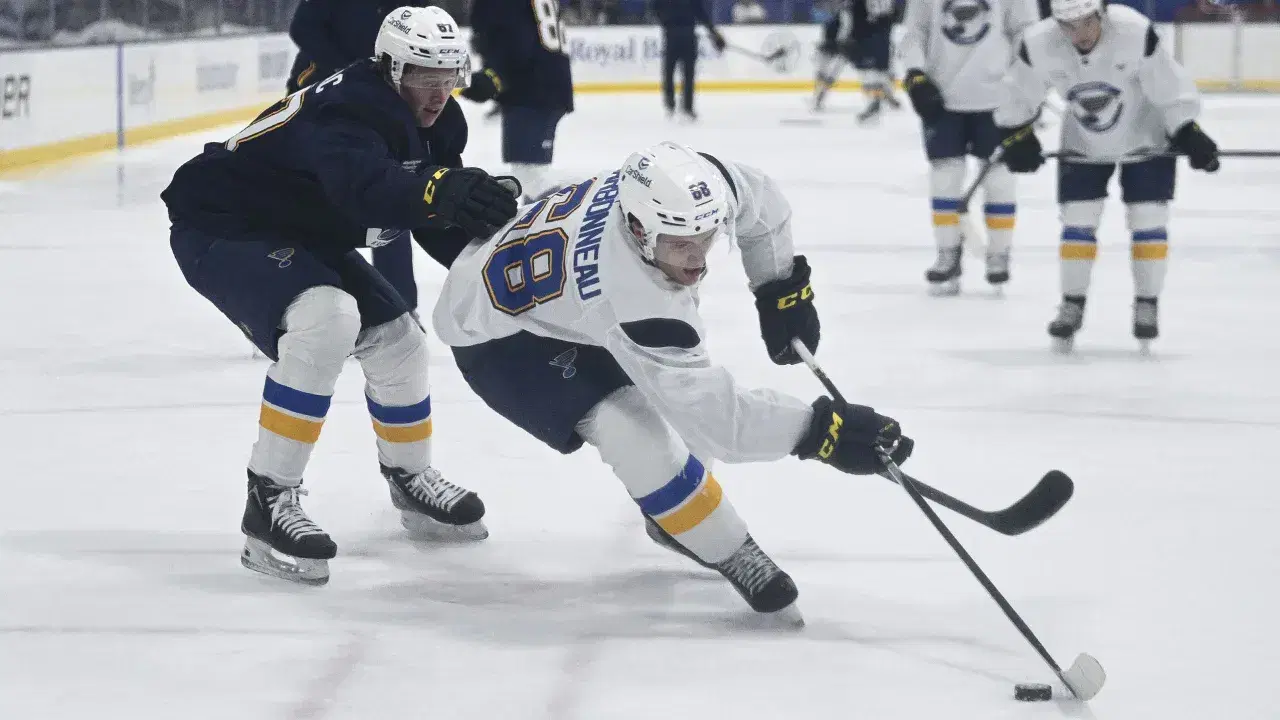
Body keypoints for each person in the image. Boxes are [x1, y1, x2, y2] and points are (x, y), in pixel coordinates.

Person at [430, 142, 915, 618]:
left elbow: (759, 200)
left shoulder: (690, 187)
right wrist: (821, 432)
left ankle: (682, 518)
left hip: (551, 299)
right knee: (633, 429)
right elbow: (717, 421)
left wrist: (781, 287)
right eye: (681, 243)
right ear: (639, 229)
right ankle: (723, 544)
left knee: (673, 398)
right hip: (498, 342)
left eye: (706, 237)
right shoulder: (634, 299)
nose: (698, 258)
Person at [161, 7, 520, 585]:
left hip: (297, 227)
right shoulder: (349, 106)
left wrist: (497, 252)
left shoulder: (443, 120)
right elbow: (370, 191)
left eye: (449, 77)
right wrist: (438, 189)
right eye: (425, 79)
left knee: (399, 339)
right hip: (224, 225)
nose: (438, 94)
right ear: (391, 69)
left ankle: (410, 476)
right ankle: (269, 500)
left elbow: (428, 213)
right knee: (326, 318)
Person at [994, 0, 1219, 351]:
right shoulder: (1039, 42)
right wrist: (1016, 133)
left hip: (1147, 137)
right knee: (1077, 219)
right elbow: (1018, 93)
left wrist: (1187, 129)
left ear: (1101, 13)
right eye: (1068, 26)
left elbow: (1168, 84)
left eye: (1086, 23)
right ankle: (1072, 302)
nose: (1079, 34)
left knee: (1148, 219)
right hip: (1083, 141)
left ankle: (1147, 302)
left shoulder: (1134, 30)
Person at [286, 0, 423, 313]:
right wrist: (348, 71)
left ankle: (400, 305)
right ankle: (294, 303)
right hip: (321, 93)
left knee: (390, 192)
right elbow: (303, 27)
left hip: (383, 97)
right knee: (310, 199)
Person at [899, 0, 1037, 294]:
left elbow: (1026, 33)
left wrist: (1023, 86)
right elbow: (915, 31)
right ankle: (947, 251)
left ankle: (999, 253)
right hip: (942, 97)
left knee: (1000, 180)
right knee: (944, 180)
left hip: (999, 98)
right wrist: (915, 73)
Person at [460, 0, 575, 201]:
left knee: (529, 175)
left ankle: (573, 220)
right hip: (546, 83)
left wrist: (495, 74)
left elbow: (514, 39)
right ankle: (540, 227)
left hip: (532, 89)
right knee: (529, 173)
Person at [653, 0, 727, 121]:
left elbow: (700, 12)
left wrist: (713, 32)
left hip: (685, 36)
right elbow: (656, 8)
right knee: (671, 71)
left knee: (686, 73)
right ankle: (673, 104)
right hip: (675, 35)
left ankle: (684, 106)